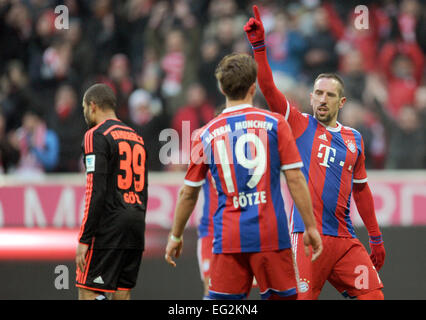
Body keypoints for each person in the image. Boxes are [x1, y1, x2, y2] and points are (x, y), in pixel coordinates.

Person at [244, 5, 385, 300]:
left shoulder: (354, 139)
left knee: (374, 297)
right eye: (318, 93)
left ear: (341, 102)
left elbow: (362, 191)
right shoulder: (298, 124)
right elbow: (269, 88)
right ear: (310, 97)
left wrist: (375, 237)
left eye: (329, 95)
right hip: (308, 239)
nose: (322, 99)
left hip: (345, 241)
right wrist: (259, 47)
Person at [165, 53, 322, 300]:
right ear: (253, 87)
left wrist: (176, 235)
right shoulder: (276, 123)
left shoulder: (204, 134)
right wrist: (310, 227)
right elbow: (295, 179)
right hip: (272, 235)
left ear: (221, 87)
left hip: (228, 238)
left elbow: (188, 192)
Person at [75, 83, 148, 300]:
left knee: (87, 289)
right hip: (135, 224)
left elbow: (95, 191)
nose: (85, 113)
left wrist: (84, 238)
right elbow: (143, 189)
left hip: (109, 225)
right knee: (121, 294)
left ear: (93, 106)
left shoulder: (95, 135)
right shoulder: (137, 137)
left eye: (84, 108)